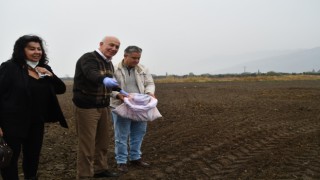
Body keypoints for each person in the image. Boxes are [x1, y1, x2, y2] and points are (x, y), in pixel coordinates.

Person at [0, 35, 68, 180]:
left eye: (39, 49)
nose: (37, 51)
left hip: (37, 122)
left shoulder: (44, 68)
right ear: (21, 50)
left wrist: (50, 74)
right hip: (12, 123)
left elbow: (61, 89)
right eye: (32, 49)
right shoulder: (9, 67)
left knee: (32, 158)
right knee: (10, 159)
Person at [73, 36, 123, 179]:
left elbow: (110, 84)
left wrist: (120, 92)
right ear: (101, 44)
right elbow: (92, 74)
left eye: (117, 47)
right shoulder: (88, 58)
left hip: (104, 106)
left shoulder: (109, 63)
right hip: (87, 107)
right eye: (111, 45)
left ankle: (100, 169)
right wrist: (104, 79)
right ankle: (84, 175)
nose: (114, 49)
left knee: (103, 141)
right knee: (87, 145)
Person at [110, 46, 155, 173]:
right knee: (121, 135)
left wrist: (150, 93)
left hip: (140, 106)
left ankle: (135, 157)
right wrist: (118, 95)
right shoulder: (113, 69)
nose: (136, 61)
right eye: (134, 58)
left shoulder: (143, 69)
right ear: (125, 56)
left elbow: (150, 83)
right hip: (121, 105)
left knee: (139, 133)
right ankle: (121, 161)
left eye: (138, 58)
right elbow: (108, 87)